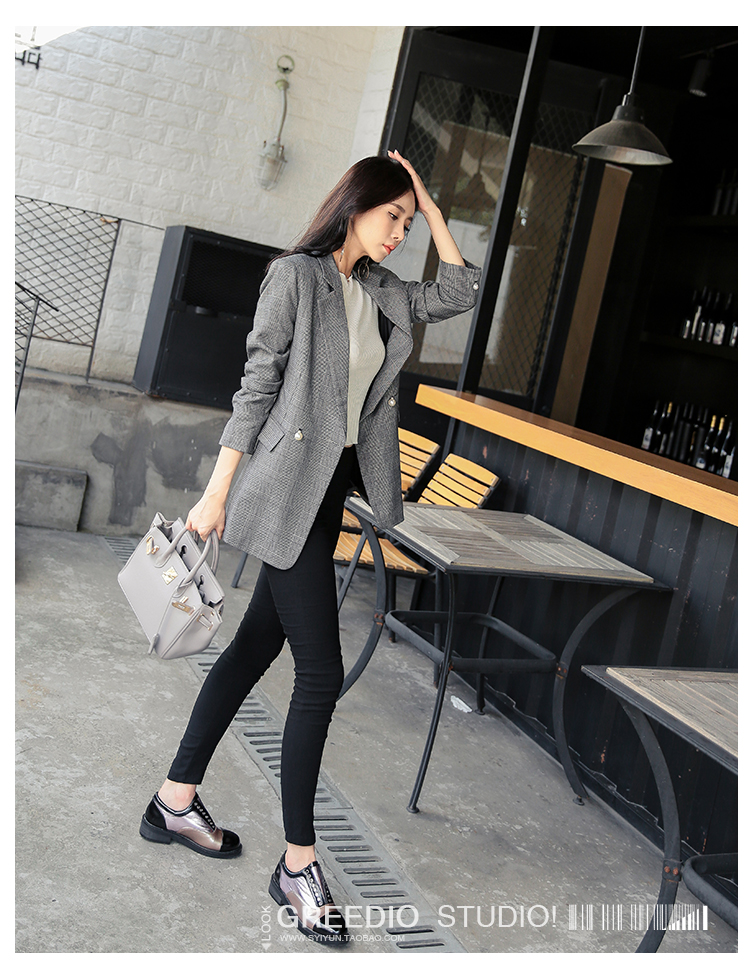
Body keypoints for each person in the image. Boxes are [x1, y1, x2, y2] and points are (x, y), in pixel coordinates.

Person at [139, 150, 481, 946]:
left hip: (328, 498)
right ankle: (298, 865)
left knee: (252, 650)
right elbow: (257, 384)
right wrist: (217, 492)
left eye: (408, 222)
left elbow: (460, 291)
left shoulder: (384, 289)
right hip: (282, 489)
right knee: (320, 674)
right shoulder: (296, 277)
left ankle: (174, 801)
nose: (399, 233)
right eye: (392, 216)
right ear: (354, 205)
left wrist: (433, 208)